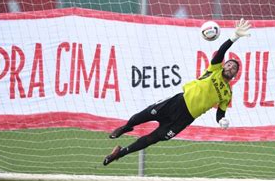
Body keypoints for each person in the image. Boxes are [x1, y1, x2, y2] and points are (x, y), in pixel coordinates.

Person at [103, 18, 251, 166]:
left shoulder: (227, 94)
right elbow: (222, 51)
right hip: (177, 102)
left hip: (185, 118)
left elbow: (220, 112)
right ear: (224, 65)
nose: (231, 67)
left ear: (235, 75)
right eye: (229, 64)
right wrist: (235, 36)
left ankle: (119, 153)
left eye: (234, 68)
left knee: (153, 139)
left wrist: (221, 120)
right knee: (142, 116)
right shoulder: (215, 69)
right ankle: (125, 127)